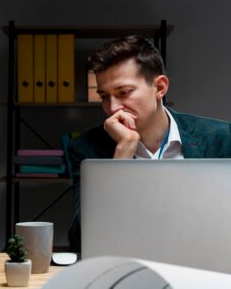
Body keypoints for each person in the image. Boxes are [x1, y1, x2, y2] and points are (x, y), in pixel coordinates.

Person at [67, 35, 231, 252]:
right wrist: (122, 154)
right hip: (129, 267)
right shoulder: (86, 149)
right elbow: (82, 240)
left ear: (160, 88)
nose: (113, 107)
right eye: (104, 96)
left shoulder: (221, 137)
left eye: (124, 92)